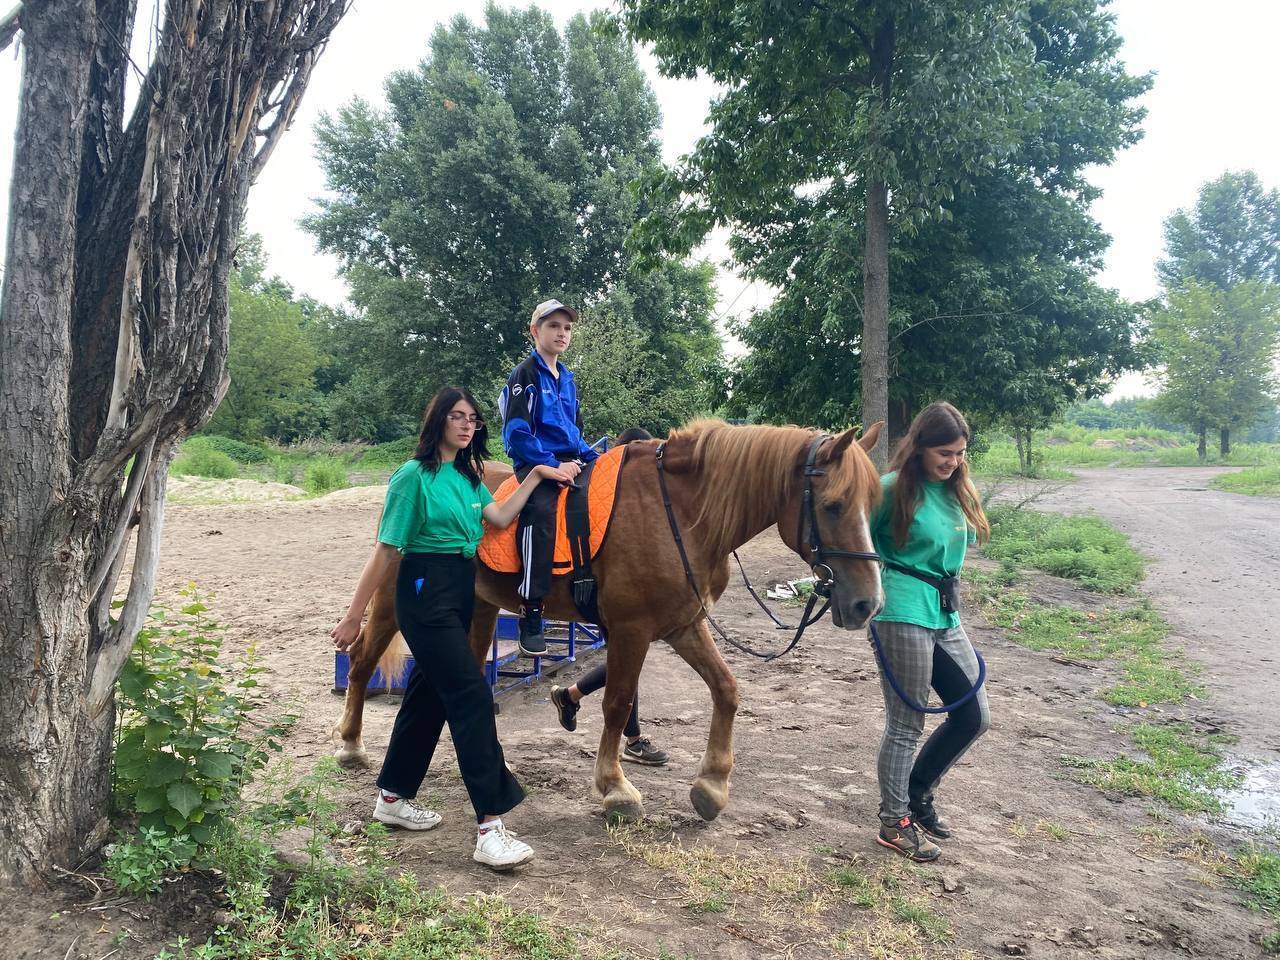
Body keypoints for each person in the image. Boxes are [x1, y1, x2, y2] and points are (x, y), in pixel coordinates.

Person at [331, 386, 570, 870]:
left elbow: (499, 516)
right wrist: (355, 615)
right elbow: (386, 549)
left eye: (473, 419)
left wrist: (537, 474)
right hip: (423, 588)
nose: (466, 425)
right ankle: (490, 827)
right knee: (472, 695)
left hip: (461, 587)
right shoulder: (412, 477)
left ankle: (392, 798)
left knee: (428, 696)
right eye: (457, 416)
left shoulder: (467, 476)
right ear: (438, 420)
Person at [868, 401, 991, 863]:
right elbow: (851, 542)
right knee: (906, 724)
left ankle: (916, 793)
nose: (953, 461)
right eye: (944, 452)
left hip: (945, 614)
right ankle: (893, 821)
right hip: (901, 611)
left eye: (960, 453)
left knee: (973, 715)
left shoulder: (959, 489)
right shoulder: (889, 490)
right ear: (920, 447)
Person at [549, 427, 668, 766]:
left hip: (614, 587)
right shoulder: (607, 492)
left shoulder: (632, 495)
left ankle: (571, 696)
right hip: (603, 588)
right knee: (627, 660)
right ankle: (632, 740)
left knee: (626, 659)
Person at [498, 298, 599, 656]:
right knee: (540, 511)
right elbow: (517, 433)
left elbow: (575, 432)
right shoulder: (524, 375)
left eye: (567, 327)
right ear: (535, 330)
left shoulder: (568, 379)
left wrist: (595, 457)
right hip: (535, 461)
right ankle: (531, 607)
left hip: (570, 460)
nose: (562, 333)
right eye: (553, 326)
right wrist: (551, 465)